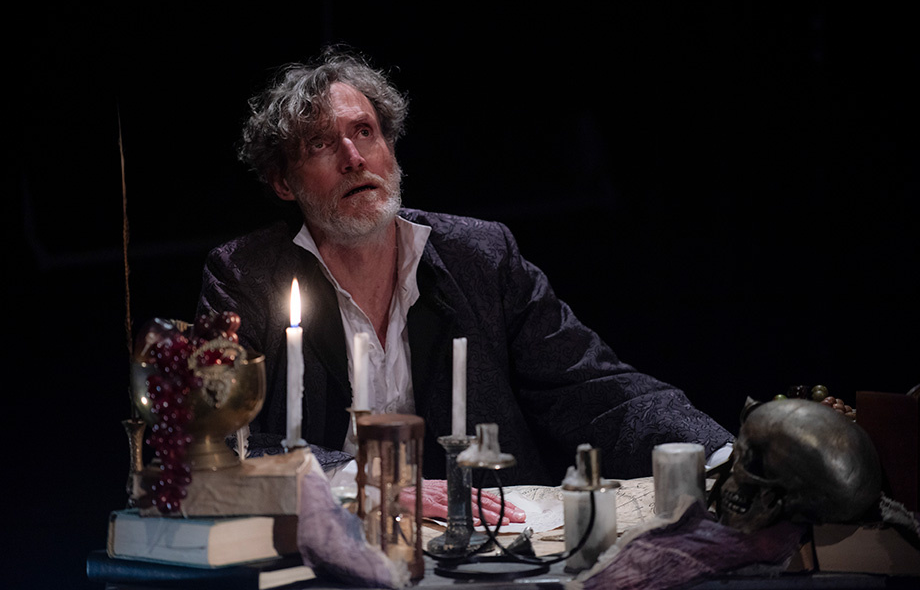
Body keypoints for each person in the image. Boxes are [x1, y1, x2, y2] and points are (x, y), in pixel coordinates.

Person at [197, 47, 734, 502]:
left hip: (486, 537)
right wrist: (362, 481)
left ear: (390, 147)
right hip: (327, 546)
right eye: (320, 144)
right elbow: (216, 439)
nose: (354, 158)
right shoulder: (246, 275)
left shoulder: (479, 256)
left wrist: (724, 456)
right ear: (284, 183)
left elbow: (594, 388)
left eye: (365, 132)